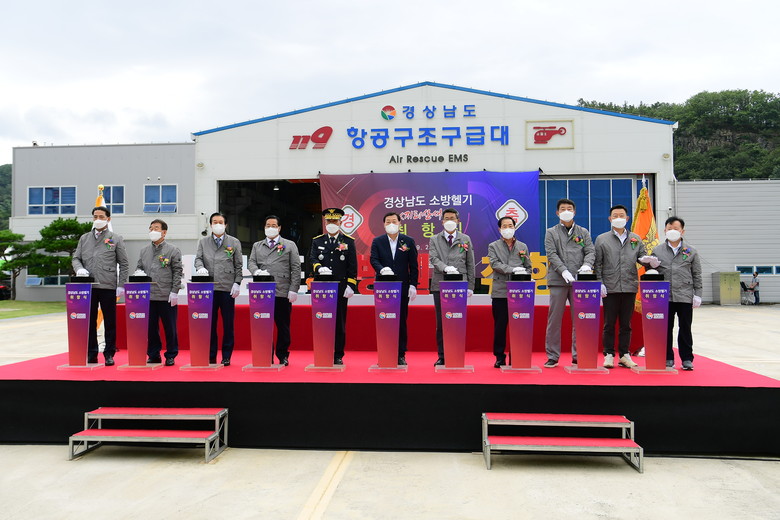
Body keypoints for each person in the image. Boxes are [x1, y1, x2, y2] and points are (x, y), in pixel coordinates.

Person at [594, 204, 653, 369]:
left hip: (629, 286)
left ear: (627, 218)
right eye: (615, 216)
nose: (618, 218)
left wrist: (649, 262)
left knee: (626, 324)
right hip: (610, 287)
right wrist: (600, 283)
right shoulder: (602, 239)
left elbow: (642, 258)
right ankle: (608, 354)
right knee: (609, 324)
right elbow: (597, 264)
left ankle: (624, 355)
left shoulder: (636, 238)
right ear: (610, 219)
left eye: (621, 215)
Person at [72, 206, 129, 366]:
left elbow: (124, 263)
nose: (98, 219)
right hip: (88, 287)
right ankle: (91, 353)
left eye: (101, 217)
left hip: (108, 285)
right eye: (95, 216)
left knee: (110, 322)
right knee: (89, 321)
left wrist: (121, 285)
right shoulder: (84, 238)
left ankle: (109, 353)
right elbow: (76, 258)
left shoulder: (115, 238)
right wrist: (79, 269)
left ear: (108, 219)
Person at [543, 198, 595, 368]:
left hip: (579, 282)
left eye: (569, 208)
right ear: (557, 213)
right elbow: (551, 254)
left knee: (580, 318)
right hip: (558, 280)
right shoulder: (551, 232)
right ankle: (552, 355)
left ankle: (578, 355)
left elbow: (590, 251)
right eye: (563, 209)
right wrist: (563, 270)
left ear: (574, 212)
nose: (566, 211)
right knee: (554, 319)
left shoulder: (583, 232)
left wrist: (587, 265)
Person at [649, 216, 702, 370]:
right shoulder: (657, 250)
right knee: (665, 328)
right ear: (664, 230)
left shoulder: (691, 251)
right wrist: (650, 265)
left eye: (676, 229)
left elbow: (697, 274)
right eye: (669, 228)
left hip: (685, 294)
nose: (672, 231)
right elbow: (651, 273)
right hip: (664, 296)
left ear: (682, 231)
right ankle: (667, 358)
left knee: (685, 328)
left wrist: (698, 294)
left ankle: (687, 358)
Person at [248, 215, 301, 366]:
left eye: (273, 225)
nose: (270, 228)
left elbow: (296, 268)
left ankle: (283, 355)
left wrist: (294, 289)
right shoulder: (257, 246)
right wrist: (256, 271)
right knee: (263, 326)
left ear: (279, 228)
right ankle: (265, 354)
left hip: (282, 291)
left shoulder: (289, 245)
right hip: (262, 293)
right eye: (268, 225)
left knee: (283, 326)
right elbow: (251, 262)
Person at [308, 208, 358, 365]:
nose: (331, 223)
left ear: (340, 222)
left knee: (339, 322)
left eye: (334, 221)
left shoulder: (348, 241)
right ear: (325, 222)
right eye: (328, 221)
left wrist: (351, 285)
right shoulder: (317, 240)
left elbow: (352, 265)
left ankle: (338, 354)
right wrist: (318, 267)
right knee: (321, 319)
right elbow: (312, 258)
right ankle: (323, 351)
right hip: (321, 287)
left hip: (340, 287)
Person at [370, 211, 419, 365]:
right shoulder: (377, 241)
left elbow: (414, 265)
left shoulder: (408, 241)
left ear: (399, 223)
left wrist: (413, 284)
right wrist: (381, 269)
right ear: (384, 225)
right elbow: (374, 259)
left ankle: (400, 354)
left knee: (400, 320)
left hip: (402, 286)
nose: (391, 224)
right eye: (388, 222)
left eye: (394, 221)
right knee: (384, 318)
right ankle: (385, 353)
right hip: (383, 287)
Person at [194, 212, 243, 366]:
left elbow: (239, 265)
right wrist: (200, 268)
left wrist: (237, 282)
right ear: (210, 225)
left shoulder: (234, 242)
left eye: (220, 222)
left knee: (228, 324)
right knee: (209, 324)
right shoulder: (203, 242)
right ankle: (210, 355)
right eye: (215, 222)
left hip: (227, 288)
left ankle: (226, 355)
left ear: (225, 224)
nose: (218, 224)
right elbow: (198, 259)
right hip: (209, 288)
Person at [429, 208, 475, 366]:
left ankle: (457, 354)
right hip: (440, 285)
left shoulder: (465, 239)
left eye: (452, 218)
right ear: (442, 221)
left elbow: (470, 263)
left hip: (460, 285)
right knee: (442, 322)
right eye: (446, 218)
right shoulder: (434, 239)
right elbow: (433, 258)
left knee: (457, 320)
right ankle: (442, 356)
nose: (449, 221)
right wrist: (445, 268)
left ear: (458, 221)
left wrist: (470, 286)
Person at [135, 219, 183, 366]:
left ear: (164, 232)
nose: (152, 231)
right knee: (150, 328)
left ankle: (171, 355)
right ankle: (153, 354)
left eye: (156, 228)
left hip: (166, 295)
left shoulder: (173, 250)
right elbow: (139, 268)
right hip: (148, 296)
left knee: (170, 328)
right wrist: (138, 273)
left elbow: (177, 272)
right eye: (151, 228)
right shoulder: (144, 251)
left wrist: (174, 291)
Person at [488, 216, 532, 368]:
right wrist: (513, 270)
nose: (508, 228)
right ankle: (499, 357)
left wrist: (524, 273)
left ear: (515, 227)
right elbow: (495, 264)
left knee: (519, 326)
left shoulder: (522, 246)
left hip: (519, 293)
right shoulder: (493, 246)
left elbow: (529, 267)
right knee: (500, 326)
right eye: (504, 226)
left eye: (510, 226)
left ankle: (517, 356)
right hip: (500, 292)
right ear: (499, 229)